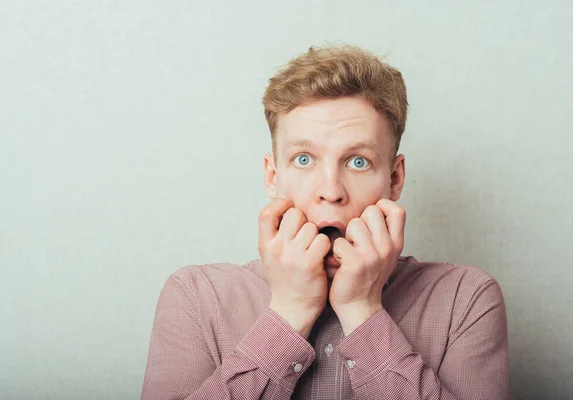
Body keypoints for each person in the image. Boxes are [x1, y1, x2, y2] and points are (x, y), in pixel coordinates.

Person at [140, 45, 509, 400]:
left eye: (358, 161)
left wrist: (362, 309)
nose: (331, 191)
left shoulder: (466, 298)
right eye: (304, 159)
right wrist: (290, 311)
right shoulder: (195, 296)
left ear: (394, 179)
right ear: (273, 176)